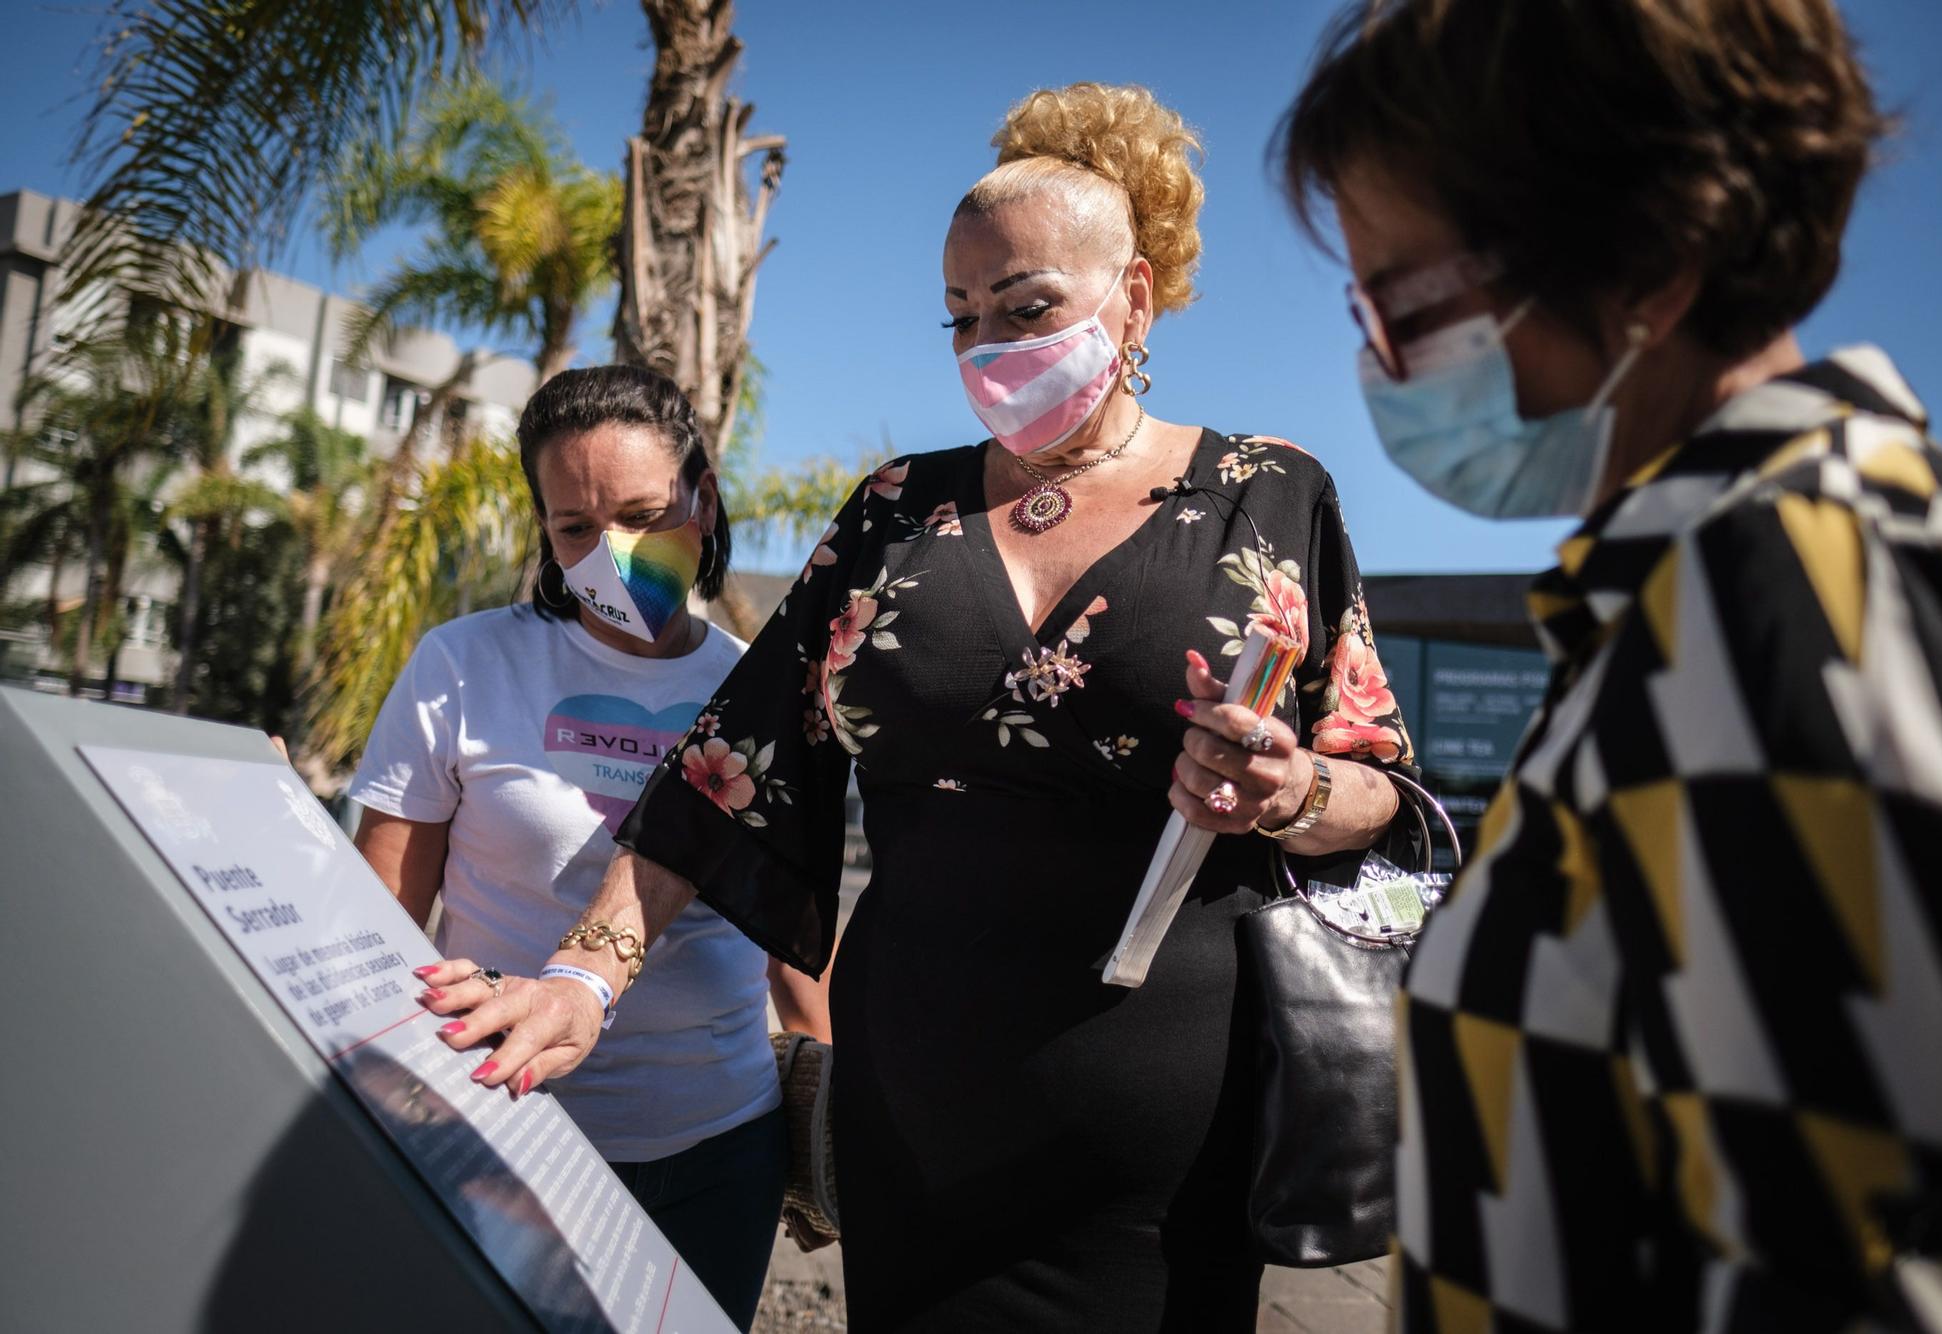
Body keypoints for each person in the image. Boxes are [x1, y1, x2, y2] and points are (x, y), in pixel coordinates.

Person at [415, 83, 1425, 1331]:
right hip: (910, 1120)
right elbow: (732, 760)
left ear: (1135, 296)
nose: (986, 343)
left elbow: (1378, 783)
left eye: (1024, 305)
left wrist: (1294, 789)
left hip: (1161, 1140)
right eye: (959, 315)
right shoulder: (897, 508)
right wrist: (583, 977)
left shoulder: (1265, 495)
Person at [1278, 1, 1942, 1329]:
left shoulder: (1796, 588)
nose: (1378, 366)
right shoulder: (1697, 593)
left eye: (1407, 309)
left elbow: (1871, 1272)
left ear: (1653, 262)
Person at [349, 365, 827, 1332]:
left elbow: (795, 943)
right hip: (502, 1133)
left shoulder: (764, 688)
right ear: (545, 530)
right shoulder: (466, 664)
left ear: (705, 498)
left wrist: (853, 1095)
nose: (615, 553)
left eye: (648, 513)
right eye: (576, 527)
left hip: (721, 1152)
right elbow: (377, 924)